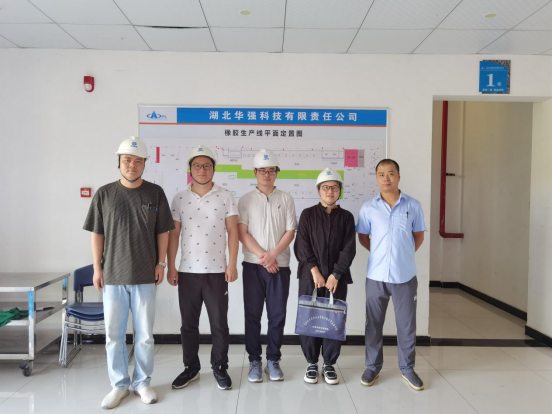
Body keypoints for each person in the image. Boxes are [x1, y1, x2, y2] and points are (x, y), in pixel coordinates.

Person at [83, 136, 174, 409]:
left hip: (145, 275)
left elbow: (163, 231)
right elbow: (97, 233)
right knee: (114, 336)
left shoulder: (155, 193)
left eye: (137, 161)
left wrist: (161, 263)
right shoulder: (104, 194)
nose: (132, 165)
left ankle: (142, 383)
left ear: (144, 164)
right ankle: (119, 385)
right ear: (119, 162)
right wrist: (97, 268)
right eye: (127, 160)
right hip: (112, 276)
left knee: (145, 336)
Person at [167, 144, 238, 391]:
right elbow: (174, 235)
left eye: (207, 165)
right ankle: (191, 368)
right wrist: (171, 266)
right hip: (187, 271)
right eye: (197, 165)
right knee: (188, 324)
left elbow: (233, 231)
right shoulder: (179, 197)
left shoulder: (226, 196)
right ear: (190, 169)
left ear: (214, 169)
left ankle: (220, 367)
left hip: (217, 271)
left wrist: (232, 264)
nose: (202, 170)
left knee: (219, 324)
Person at [357, 159, 426, 391]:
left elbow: (419, 236)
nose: (386, 178)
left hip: (404, 275)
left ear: (398, 176)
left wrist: (401, 256)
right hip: (376, 275)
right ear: (376, 178)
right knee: (373, 324)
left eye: (390, 173)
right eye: (381, 174)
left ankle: (407, 368)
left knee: (406, 325)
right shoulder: (368, 207)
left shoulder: (413, 205)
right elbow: (363, 237)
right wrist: (380, 254)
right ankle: (372, 367)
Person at [238, 149, 297, 382]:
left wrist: (273, 256)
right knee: (252, 315)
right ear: (255, 172)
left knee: (277, 314)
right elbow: (242, 233)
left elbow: (290, 231)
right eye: (262, 170)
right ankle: (254, 360)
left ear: (276, 173)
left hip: (280, 266)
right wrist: (264, 257)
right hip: (253, 266)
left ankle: (273, 359)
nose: (267, 174)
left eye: (271, 170)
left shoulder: (286, 198)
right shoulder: (245, 199)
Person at [294, 168, 356, 385]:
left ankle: (329, 364)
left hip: (336, 280)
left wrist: (335, 274)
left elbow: (349, 249)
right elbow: (302, 245)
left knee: (333, 319)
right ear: (319, 190)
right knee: (310, 317)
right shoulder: (308, 214)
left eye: (334, 187)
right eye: (326, 187)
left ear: (340, 190)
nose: (330, 191)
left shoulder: (347, 217)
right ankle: (311, 363)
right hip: (309, 277)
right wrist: (314, 270)